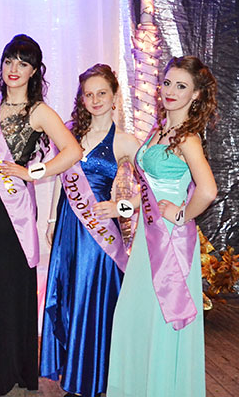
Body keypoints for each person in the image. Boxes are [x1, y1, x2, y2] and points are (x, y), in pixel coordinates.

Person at [0, 34, 82, 397]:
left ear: (34, 71)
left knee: (9, 286)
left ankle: (11, 367)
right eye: (9, 61)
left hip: (14, 209)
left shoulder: (39, 111)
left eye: (23, 63)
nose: (14, 69)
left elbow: (72, 151)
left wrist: (33, 172)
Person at [107, 56, 218, 397]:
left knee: (161, 317)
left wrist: (182, 214)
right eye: (168, 82)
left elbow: (208, 190)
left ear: (195, 95)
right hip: (148, 235)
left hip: (169, 241)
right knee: (137, 315)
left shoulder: (187, 138)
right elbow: (149, 192)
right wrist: (119, 207)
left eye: (181, 86)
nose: (170, 90)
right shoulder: (159, 131)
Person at [40, 64, 140, 396]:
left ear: (114, 97)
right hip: (68, 227)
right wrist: (52, 221)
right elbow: (61, 177)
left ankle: (93, 379)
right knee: (68, 297)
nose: (95, 100)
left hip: (99, 235)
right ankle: (73, 375)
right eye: (88, 94)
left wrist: (121, 207)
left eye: (102, 93)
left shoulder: (125, 141)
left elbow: (153, 190)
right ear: (81, 99)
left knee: (91, 302)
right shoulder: (69, 133)